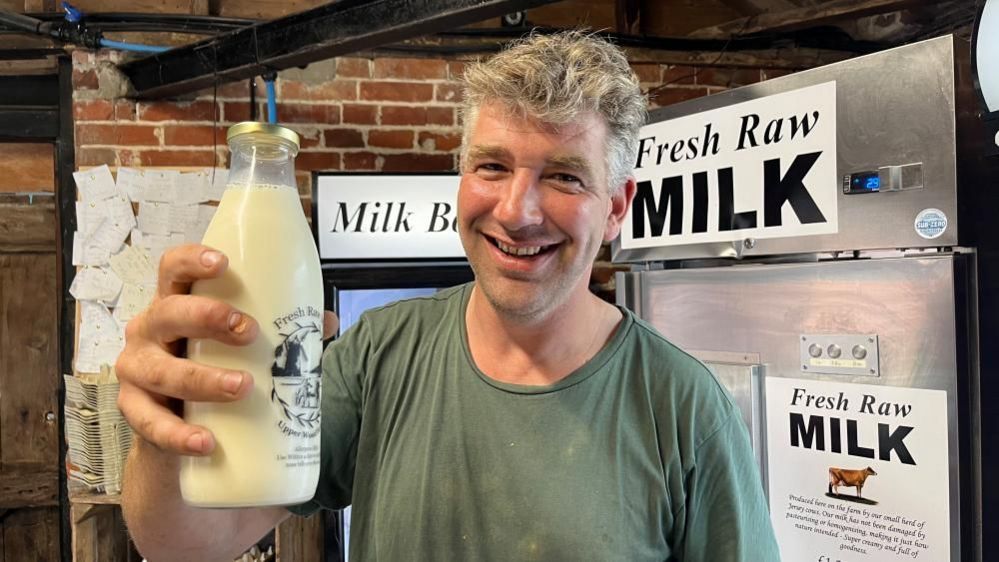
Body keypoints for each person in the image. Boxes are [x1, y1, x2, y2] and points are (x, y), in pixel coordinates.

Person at [116, 30, 779, 561]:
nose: (517, 211)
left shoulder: (683, 407)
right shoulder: (379, 354)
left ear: (614, 207)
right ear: (460, 179)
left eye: (563, 176)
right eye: (491, 166)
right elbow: (178, 546)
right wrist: (166, 433)